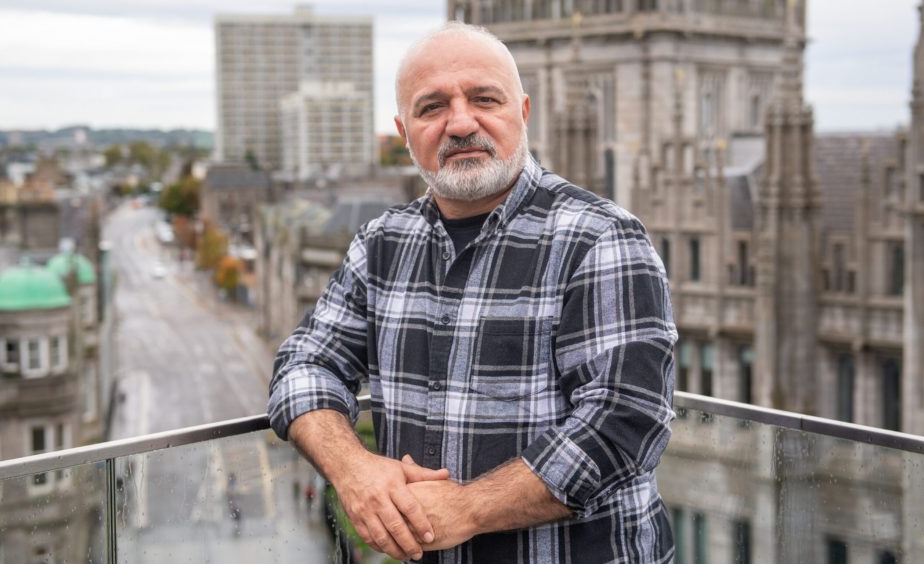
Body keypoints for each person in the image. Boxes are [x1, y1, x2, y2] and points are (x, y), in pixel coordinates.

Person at [268, 21, 677, 563]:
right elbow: (303, 364)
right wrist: (356, 469)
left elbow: (627, 420)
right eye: (431, 107)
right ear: (404, 131)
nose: (461, 123)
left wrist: (467, 508)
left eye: (484, 99)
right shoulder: (382, 243)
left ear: (522, 113)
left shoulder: (599, 238)